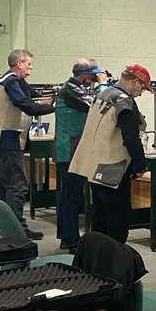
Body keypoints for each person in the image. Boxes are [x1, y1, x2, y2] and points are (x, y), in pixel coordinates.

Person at [68, 64, 151, 244]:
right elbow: (131, 137)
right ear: (135, 82)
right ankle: (114, 257)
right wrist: (140, 165)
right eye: (143, 88)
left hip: (93, 165)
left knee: (100, 216)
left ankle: (97, 255)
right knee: (117, 219)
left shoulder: (102, 94)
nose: (141, 93)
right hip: (112, 167)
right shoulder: (124, 101)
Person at [0, 49, 54, 239]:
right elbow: (26, 105)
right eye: (28, 64)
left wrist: (49, 99)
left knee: (4, 184)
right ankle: (16, 229)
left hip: (2, 137)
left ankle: (2, 225)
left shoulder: (10, 80)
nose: (31, 68)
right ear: (19, 63)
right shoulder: (12, 82)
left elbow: (33, 97)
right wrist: (52, 107)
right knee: (17, 185)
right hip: (6, 138)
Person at [54, 58, 104, 251]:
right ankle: (71, 240)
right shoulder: (70, 90)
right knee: (71, 197)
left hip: (72, 148)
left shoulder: (74, 88)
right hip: (70, 150)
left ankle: (66, 236)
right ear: (85, 75)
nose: (95, 78)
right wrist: (102, 85)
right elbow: (96, 106)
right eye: (93, 75)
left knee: (68, 196)